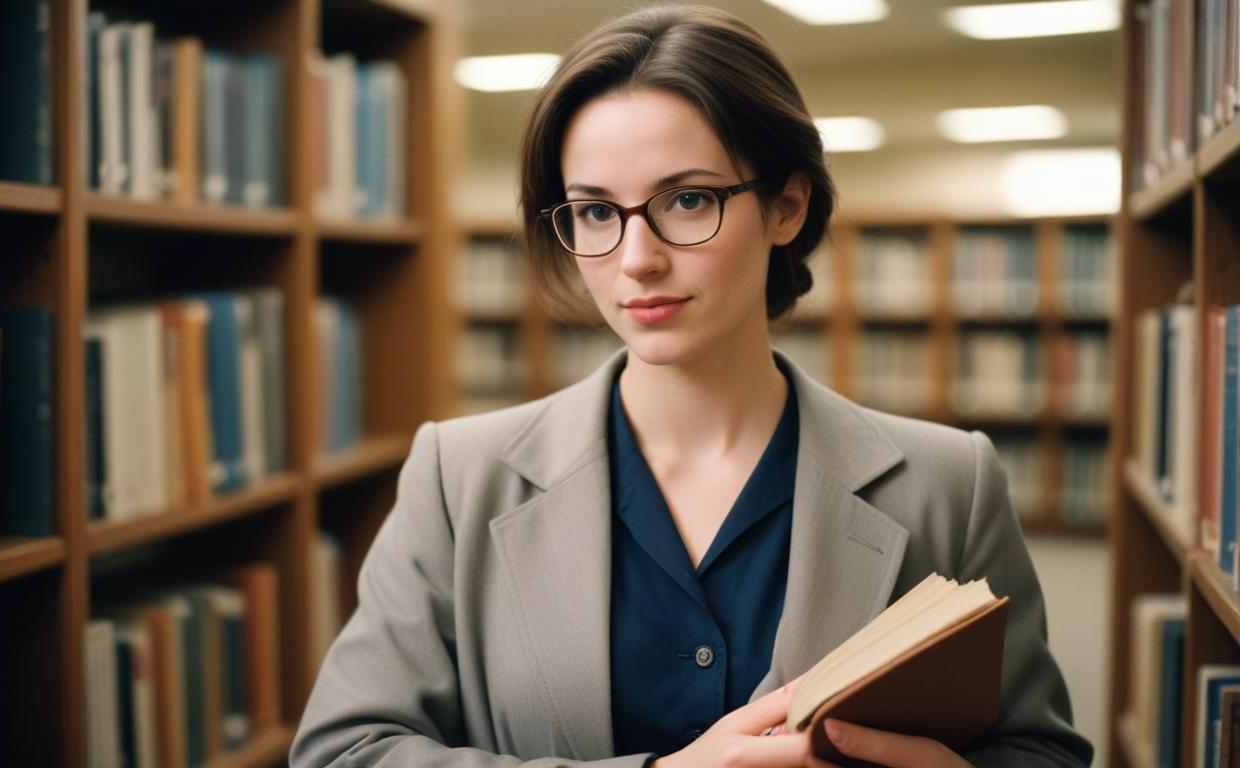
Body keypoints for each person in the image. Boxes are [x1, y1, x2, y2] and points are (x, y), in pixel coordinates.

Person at [290, 5, 1094, 767]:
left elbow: (1039, 750)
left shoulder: (949, 484)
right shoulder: (456, 479)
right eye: (595, 212)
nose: (636, 257)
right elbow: (343, 750)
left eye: (686, 200)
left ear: (786, 205)